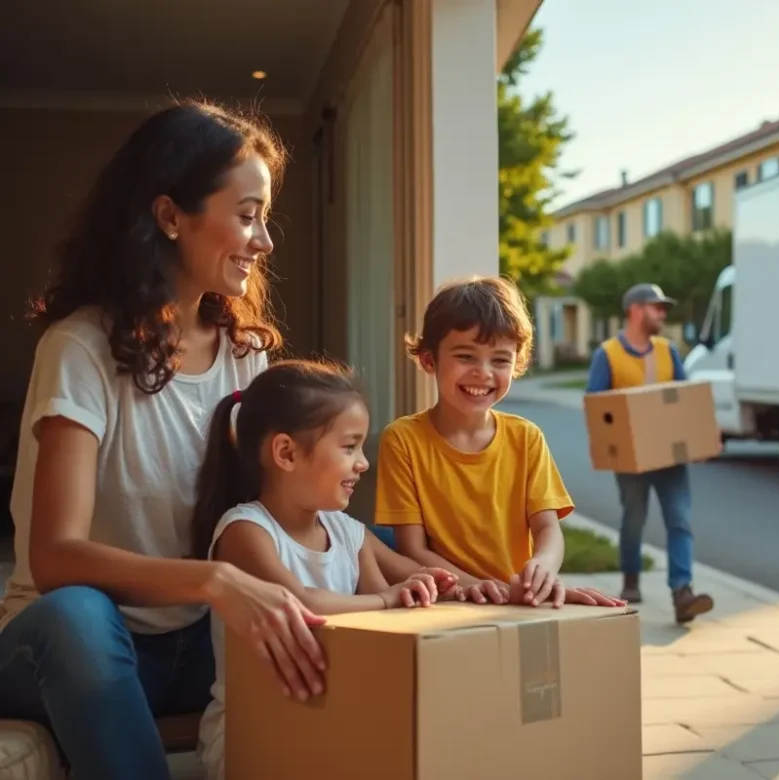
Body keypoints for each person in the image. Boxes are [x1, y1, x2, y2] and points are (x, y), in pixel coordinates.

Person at [0, 100, 332, 779]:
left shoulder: (244, 355)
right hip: (78, 650)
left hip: (199, 642)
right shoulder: (80, 348)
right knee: (78, 617)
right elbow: (55, 556)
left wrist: (409, 574)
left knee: (359, 547)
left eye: (264, 217)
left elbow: (270, 516)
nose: (265, 241)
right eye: (248, 215)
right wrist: (216, 580)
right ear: (170, 216)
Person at [191, 360, 455, 780]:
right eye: (349, 447)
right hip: (255, 730)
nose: (363, 463)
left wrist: (434, 587)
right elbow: (302, 603)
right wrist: (388, 597)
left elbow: (386, 616)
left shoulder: (347, 533)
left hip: (333, 718)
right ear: (286, 453)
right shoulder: (245, 532)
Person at [374, 276, 623, 609]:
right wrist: (484, 588)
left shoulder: (527, 438)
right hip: (445, 603)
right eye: (466, 356)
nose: (484, 372)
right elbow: (412, 549)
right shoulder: (403, 440)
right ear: (429, 360)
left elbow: (548, 529)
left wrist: (543, 568)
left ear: (517, 363)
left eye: (500, 360)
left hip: (517, 604)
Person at [585, 283, 714, 624]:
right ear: (636, 310)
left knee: (680, 520)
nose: (663, 314)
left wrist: (697, 441)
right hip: (631, 461)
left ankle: (682, 593)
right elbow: (596, 408)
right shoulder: (608, 354)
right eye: (657, 308)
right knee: (634, 519)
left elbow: (684, 400)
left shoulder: (667, 351)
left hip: (670, 457)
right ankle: (631, 579)